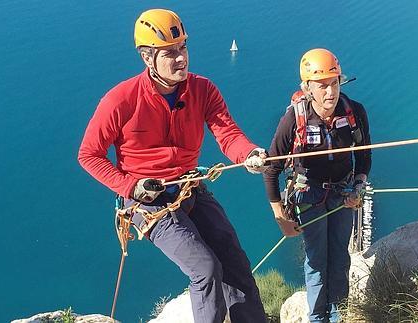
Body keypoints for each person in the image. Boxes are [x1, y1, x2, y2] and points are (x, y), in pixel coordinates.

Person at [77, 8, 268, 323]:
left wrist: (248, 154)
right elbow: (89, 154)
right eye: (170, 53)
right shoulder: (120, 100)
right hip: (146, 200)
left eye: (183, 49)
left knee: (235, 262)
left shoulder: (203, 90)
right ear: (147, 58)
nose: (181, 58)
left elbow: (228, 133)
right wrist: (130, 186)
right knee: (205, 269)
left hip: (190, 186)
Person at [262, 48, 372, 322]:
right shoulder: (295, 119)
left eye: (334, 83)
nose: (330, 92)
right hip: (309, 195)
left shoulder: (354, 112)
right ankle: (318, 319)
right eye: (321, 86)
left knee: (340, 258)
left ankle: (339, 315)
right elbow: (271, 168)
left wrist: (358, 186)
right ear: (307, 88)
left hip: (344, 193)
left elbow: (364, 155)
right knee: (316, 261)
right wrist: (280, 217)